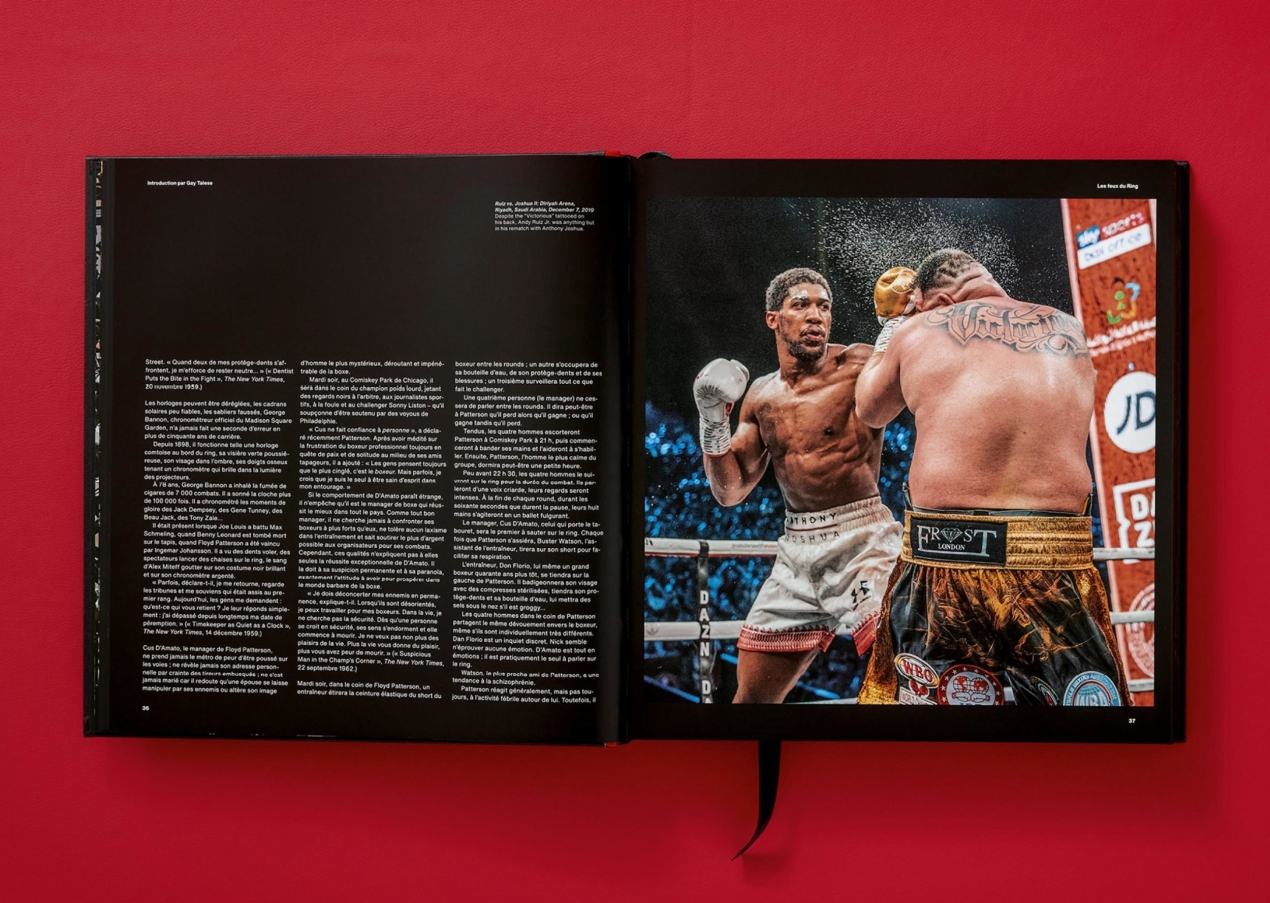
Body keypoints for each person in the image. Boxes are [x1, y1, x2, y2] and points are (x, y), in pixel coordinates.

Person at [854, 249, 1130, 706]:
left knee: (924, 733)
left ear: (937, 300)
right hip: (1053, 559)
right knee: (1085, 726)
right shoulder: (1068, 328)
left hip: (944, 556)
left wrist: (892, 328)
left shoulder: (919, 327)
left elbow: (869, 409)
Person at [693, 267, 901, 704]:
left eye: (824, 306)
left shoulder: (858, 365)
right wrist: (712, 420)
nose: (816, 316)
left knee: (901, 665)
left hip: (864, 540)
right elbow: (729, 492)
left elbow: (906, 376)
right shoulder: (760, 396)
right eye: (801, 305)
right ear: (774, 318)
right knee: (751, 699)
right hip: (797, 549)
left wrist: (900, 325)